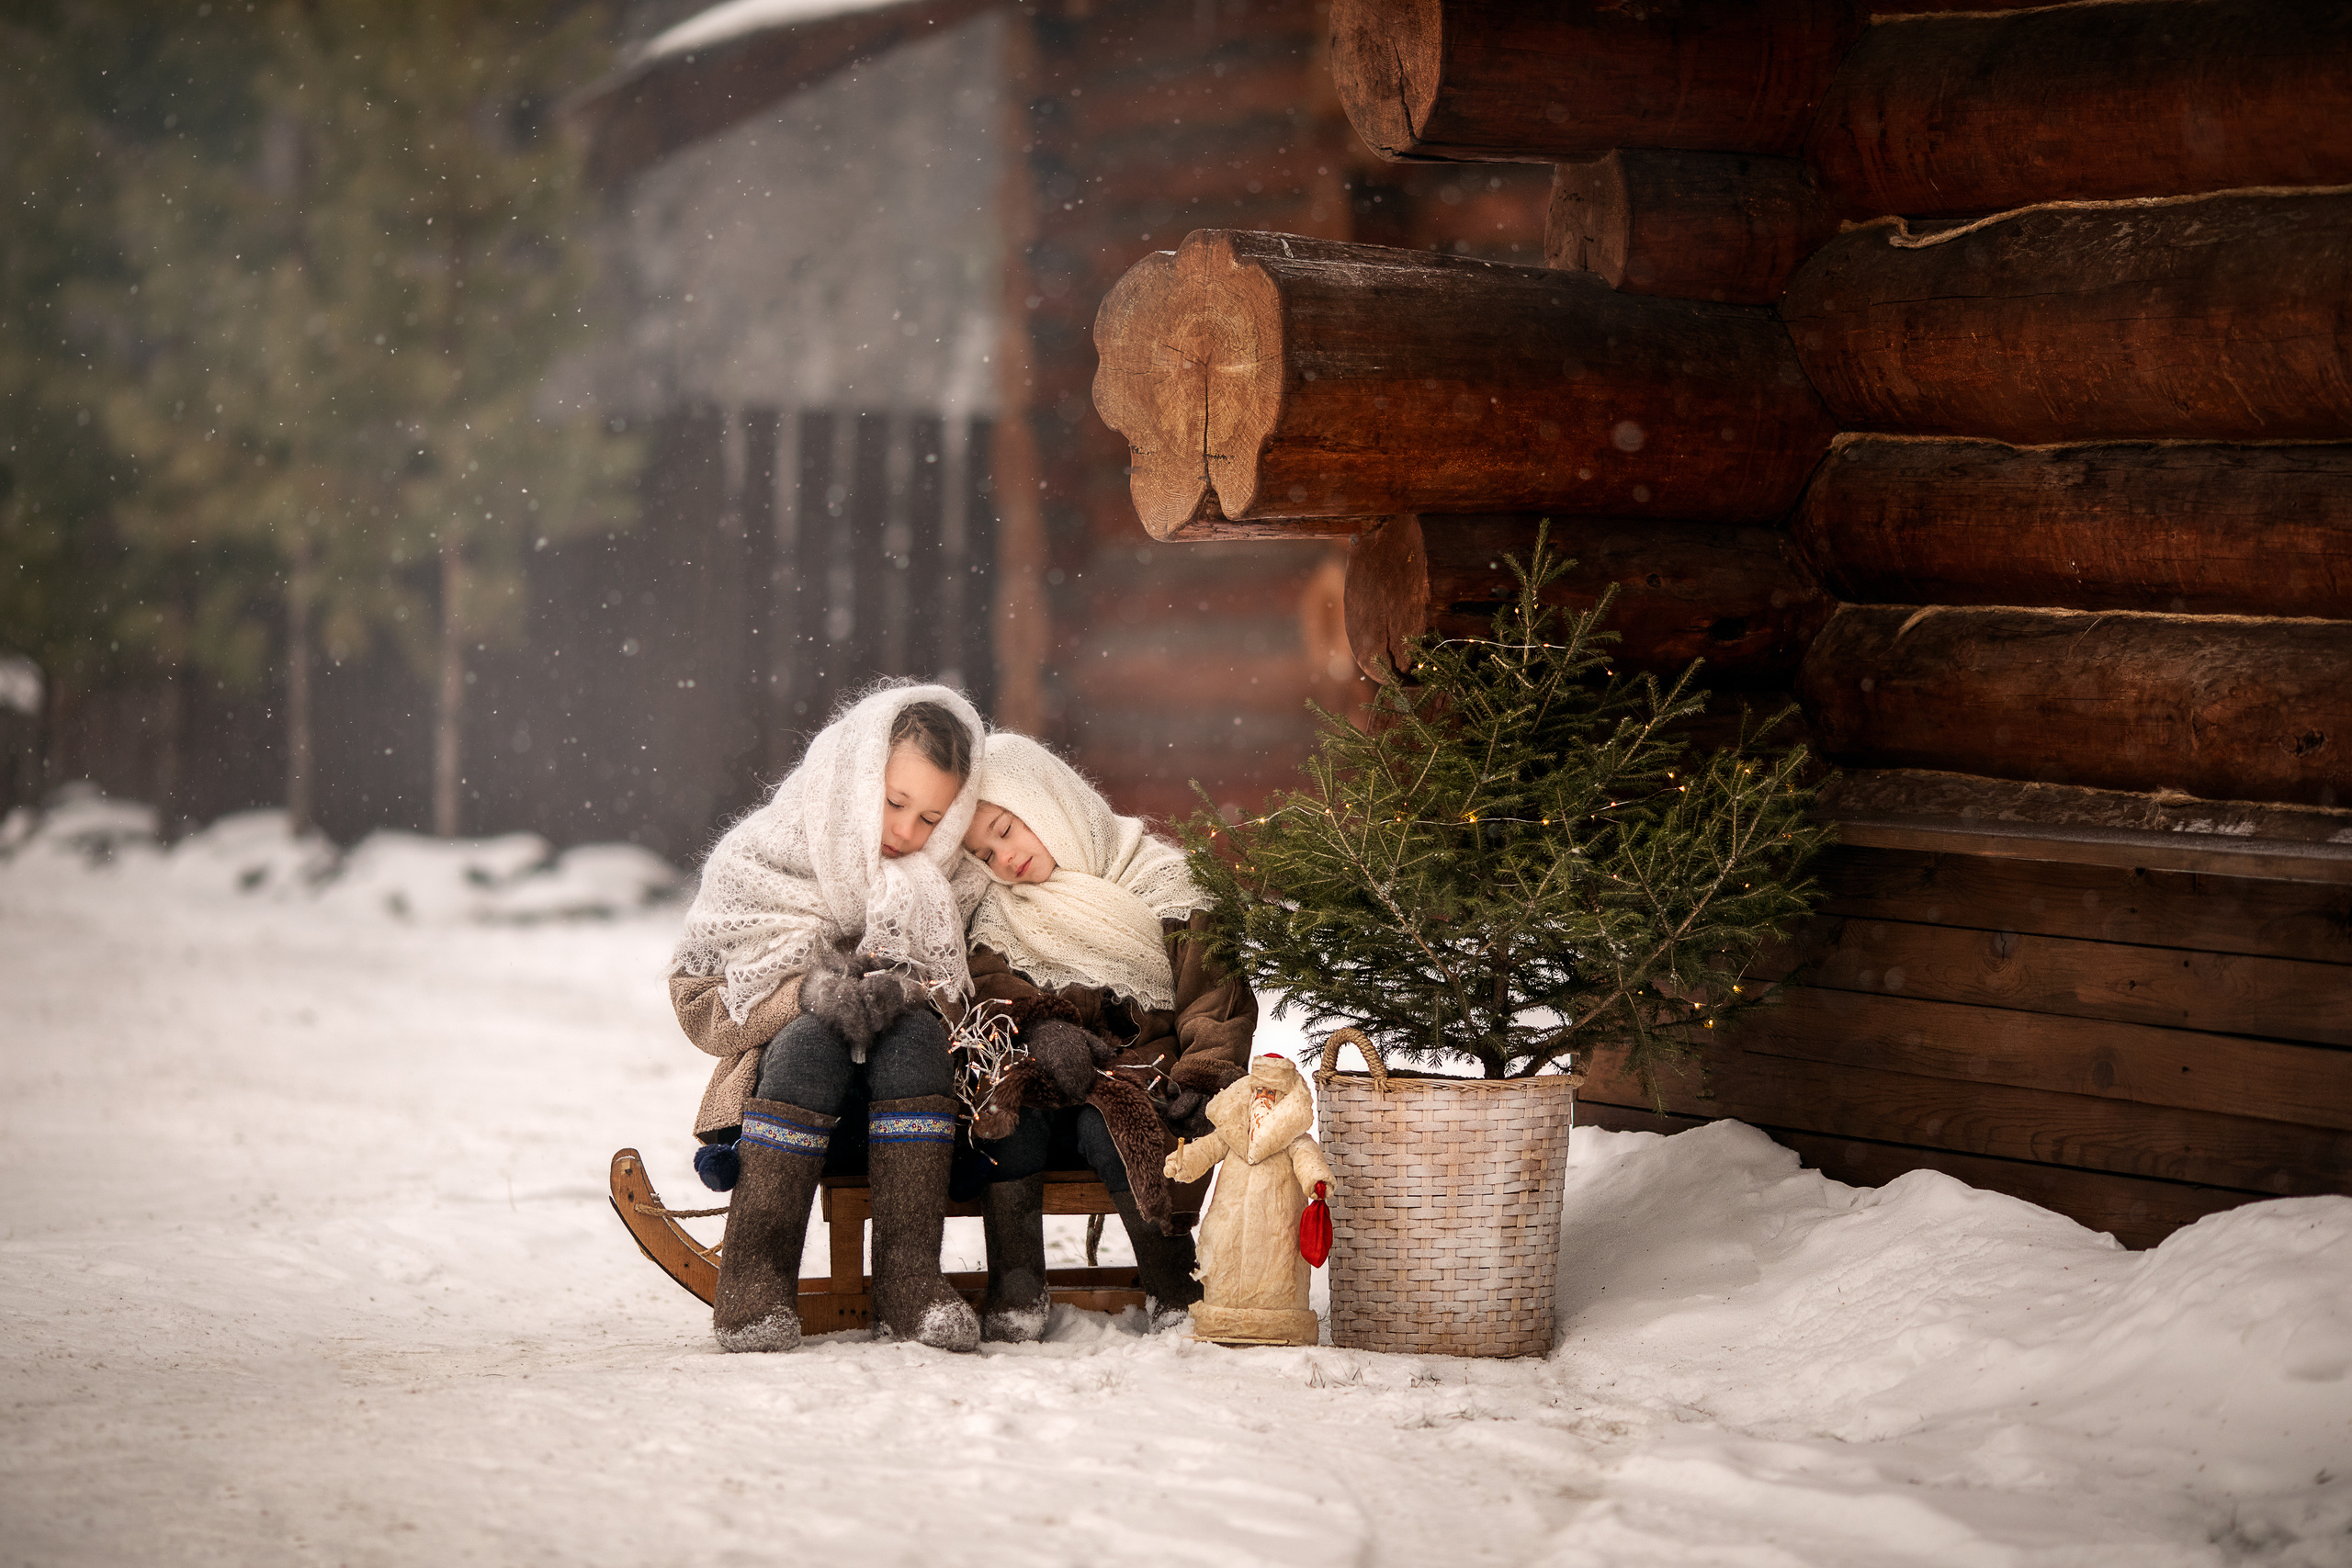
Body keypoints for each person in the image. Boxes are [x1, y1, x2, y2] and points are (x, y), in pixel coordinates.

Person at [669, 683, 989, 1354]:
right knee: (812, 1041)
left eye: (931, 818)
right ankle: (755, 1283)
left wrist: (910, 991)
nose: (907, 833)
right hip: (782, 1119)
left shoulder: (949, 881)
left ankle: (909, 1282)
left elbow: (973, 1003)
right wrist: (805, 994)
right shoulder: (761, 856)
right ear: (855, 778)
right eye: (895, 803)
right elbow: (701, 1007)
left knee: (915, 1038)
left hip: (911, 1138)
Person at [956, 733, 1257, 1339]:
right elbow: (991, 992)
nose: (1004, 859)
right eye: (985, 855)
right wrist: (1042, 1027)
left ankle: (1172, 1279)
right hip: (1049, 1081)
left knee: (1115, 1124)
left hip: (1145, 1080)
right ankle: (1017, 1283)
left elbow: (1213, 997)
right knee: (1008, 1116)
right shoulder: (1000, 917)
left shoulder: (1169, 884)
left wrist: (1203, 1075)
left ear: (1048, 800)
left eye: (1006, 829)